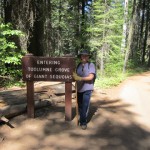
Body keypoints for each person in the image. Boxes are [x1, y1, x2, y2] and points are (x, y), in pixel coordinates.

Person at [73, 50, 96, 130]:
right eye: (83, 56)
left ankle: (83, 122)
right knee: (80, 105)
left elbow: (91, 77)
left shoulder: (91, 65)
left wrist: (80, 78)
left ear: (88, 57)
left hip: (87, 88)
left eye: (86, 56)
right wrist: (74, 76)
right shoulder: (79, 65)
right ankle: (82, 117)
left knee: (85, 106)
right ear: (81, 57)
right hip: (79, 89)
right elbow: (75, 76)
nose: (84, 57)